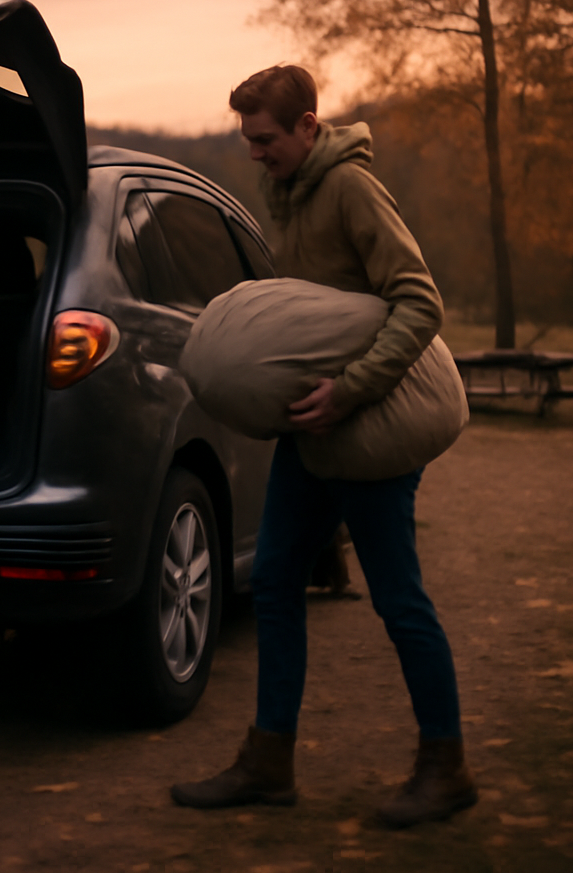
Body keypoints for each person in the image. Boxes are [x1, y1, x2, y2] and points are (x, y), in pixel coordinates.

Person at [170, 67, 476, 828]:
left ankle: (447, 766)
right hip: (312, 436)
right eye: (248, 140)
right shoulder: (285, 189)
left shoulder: (350, 189)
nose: (255, 154)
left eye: (266, 139)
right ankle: (269, 761)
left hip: (367, 432)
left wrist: (349, 390)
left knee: (400, 603)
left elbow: (419, 301)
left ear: (309, 127)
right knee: (273, 583)